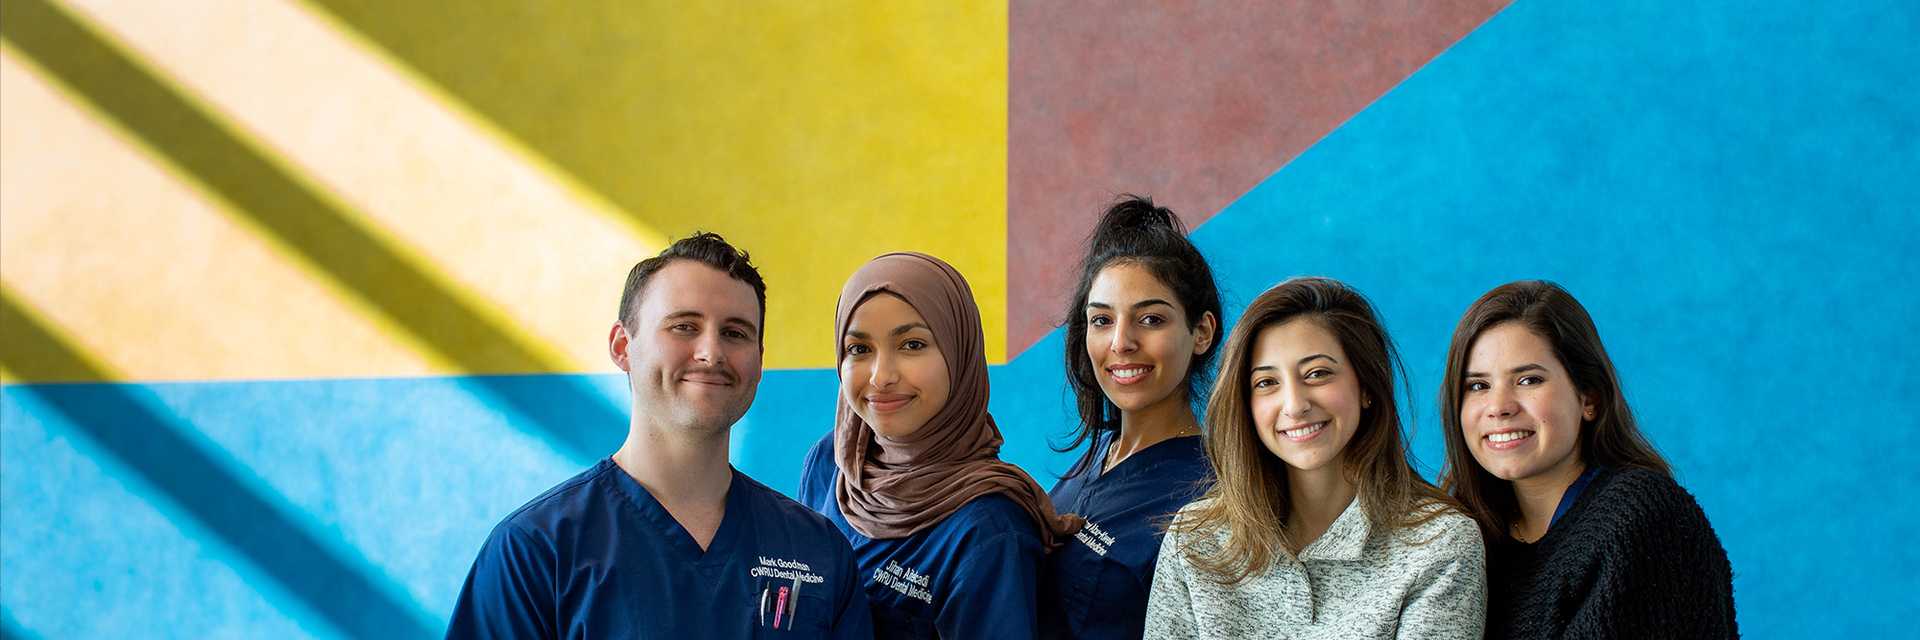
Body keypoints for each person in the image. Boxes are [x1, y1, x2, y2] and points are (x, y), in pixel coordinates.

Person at [447, 233, 872, 638]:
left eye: (735, 333)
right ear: (621, 346)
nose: (710, 353)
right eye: (684, 326)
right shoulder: (537, 551)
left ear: (759, 361)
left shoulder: (817, 550)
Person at [1146, 278, 1485, 639]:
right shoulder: (1195, 539)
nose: (1294, 405)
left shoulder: (1441, 542)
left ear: (1366, 386)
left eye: (1318, 374)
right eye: (1266, 383)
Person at [797, 251, 1080, 639]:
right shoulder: (831, 463)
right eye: (859, 349)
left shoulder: (989, 531)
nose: (881, 377)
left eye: (912, 345)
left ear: (958, 352)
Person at [1437, 281, 1736, 638]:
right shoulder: (1466, 537)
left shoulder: (1639, 518)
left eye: (1529, 380)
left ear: (1589, 398)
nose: (1499, 407)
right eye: (1478, 386)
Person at [1040, 196, 1221, 639]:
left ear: (1201, 332)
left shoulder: (1213, 499)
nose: (1121, 342)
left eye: (1151, 319)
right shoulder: (1096, 458)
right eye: (1101, 320)